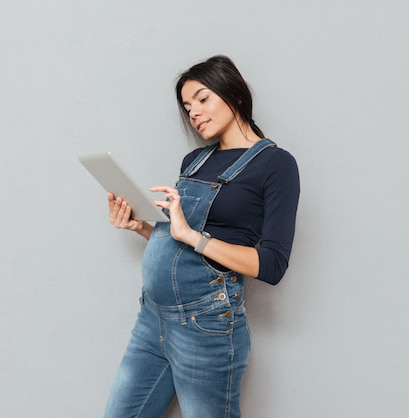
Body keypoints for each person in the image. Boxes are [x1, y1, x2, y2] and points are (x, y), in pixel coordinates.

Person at [103, 55, 300, 418]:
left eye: (202, 98)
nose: (193, 111)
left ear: (235, 95)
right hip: (152, 319)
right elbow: (178, 242)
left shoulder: (277, 165)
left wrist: (192, 235)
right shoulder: (194, 160)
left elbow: (272, 265)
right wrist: (143, 228)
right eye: (187, 105)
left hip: (206, 327)